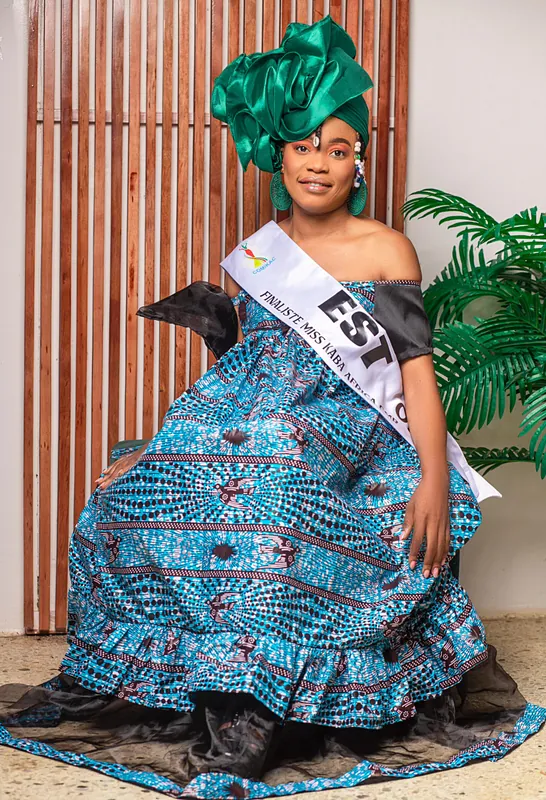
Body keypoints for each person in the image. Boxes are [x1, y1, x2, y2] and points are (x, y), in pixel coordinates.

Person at [1, 14, 544, 799]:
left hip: (347, 427)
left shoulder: (384, 248)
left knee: (276, 457)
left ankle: (257, 712)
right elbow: (241, 367)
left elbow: (413, 374)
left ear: (359, 161)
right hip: (257, 411)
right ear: (278, 155)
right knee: (144, 484)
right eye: (303, 145)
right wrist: (162, 446)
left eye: (338, 148)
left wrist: (433, 476)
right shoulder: (263, 252)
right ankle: (198, 684)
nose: (319, 162)